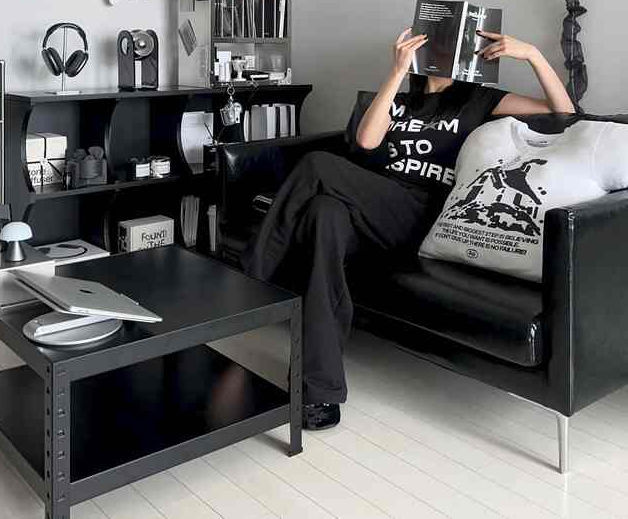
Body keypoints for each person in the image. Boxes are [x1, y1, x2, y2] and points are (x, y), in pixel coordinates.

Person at [242, 27, 576, 431]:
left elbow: (565, 114)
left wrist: (533, 54)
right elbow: (367, 140)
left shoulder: (479, 99)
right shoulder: (401, 101)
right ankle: (319, 391)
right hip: (376, 206)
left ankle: (251, 282)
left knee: (317, 164)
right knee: (322, 215)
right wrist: (397, 71)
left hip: (423, 213)